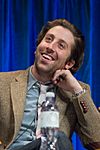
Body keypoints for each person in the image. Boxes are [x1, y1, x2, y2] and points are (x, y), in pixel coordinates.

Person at [0, 18, 100, 150]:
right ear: (37, 48)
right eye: (48, 39)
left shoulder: (76, 92)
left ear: (69, 63)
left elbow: (97, 139)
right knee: (55, 138)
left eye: (61, 46)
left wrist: (76, 90)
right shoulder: (3, 82)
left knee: (56, 139)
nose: (50, 47)